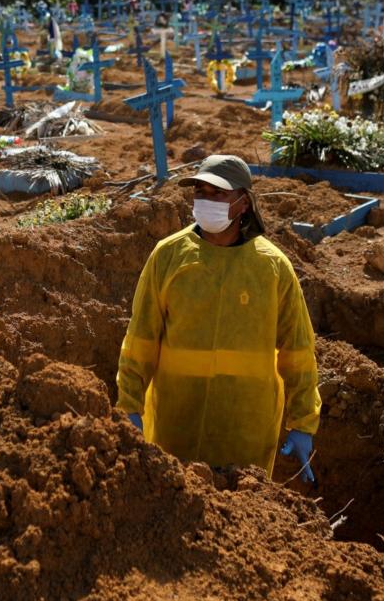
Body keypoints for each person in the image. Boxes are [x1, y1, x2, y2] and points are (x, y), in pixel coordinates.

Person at [115, 155, 321, 482]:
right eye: (201, 192)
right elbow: (140, 340)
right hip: (175, 431)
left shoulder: (272, 268)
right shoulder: (168, 256)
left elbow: (298, 351)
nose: (206, 201)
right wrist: (129, 404)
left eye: (218, 194)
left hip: (245, 438)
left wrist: (302, 422)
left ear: (243, 203)